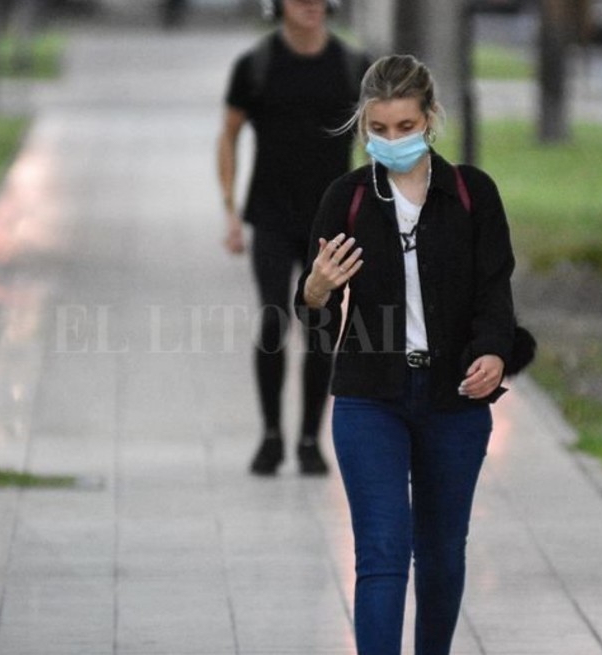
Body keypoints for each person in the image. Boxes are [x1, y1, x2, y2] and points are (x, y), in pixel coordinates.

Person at [295, 54, 530, 654]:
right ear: (363, 127)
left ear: (430, 120)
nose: (393, 139)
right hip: (369, 400)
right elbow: (315, 320)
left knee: (444, 554)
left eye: (405, 127)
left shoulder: (471, 194)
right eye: (380, 129)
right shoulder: (345, 199)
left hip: (454, 400)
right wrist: (317, 290)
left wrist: (494, 356)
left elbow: (494, 293)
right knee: (381, 551)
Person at [217, 0, 368, 476]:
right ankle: (270, 437)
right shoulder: (256, 66)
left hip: (331, 224)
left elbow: (376, 140)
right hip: (271, 217)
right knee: (272, 324)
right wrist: (230, 213)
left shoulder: (354, 68)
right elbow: (228, 135)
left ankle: (308, 440)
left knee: (322, 330)